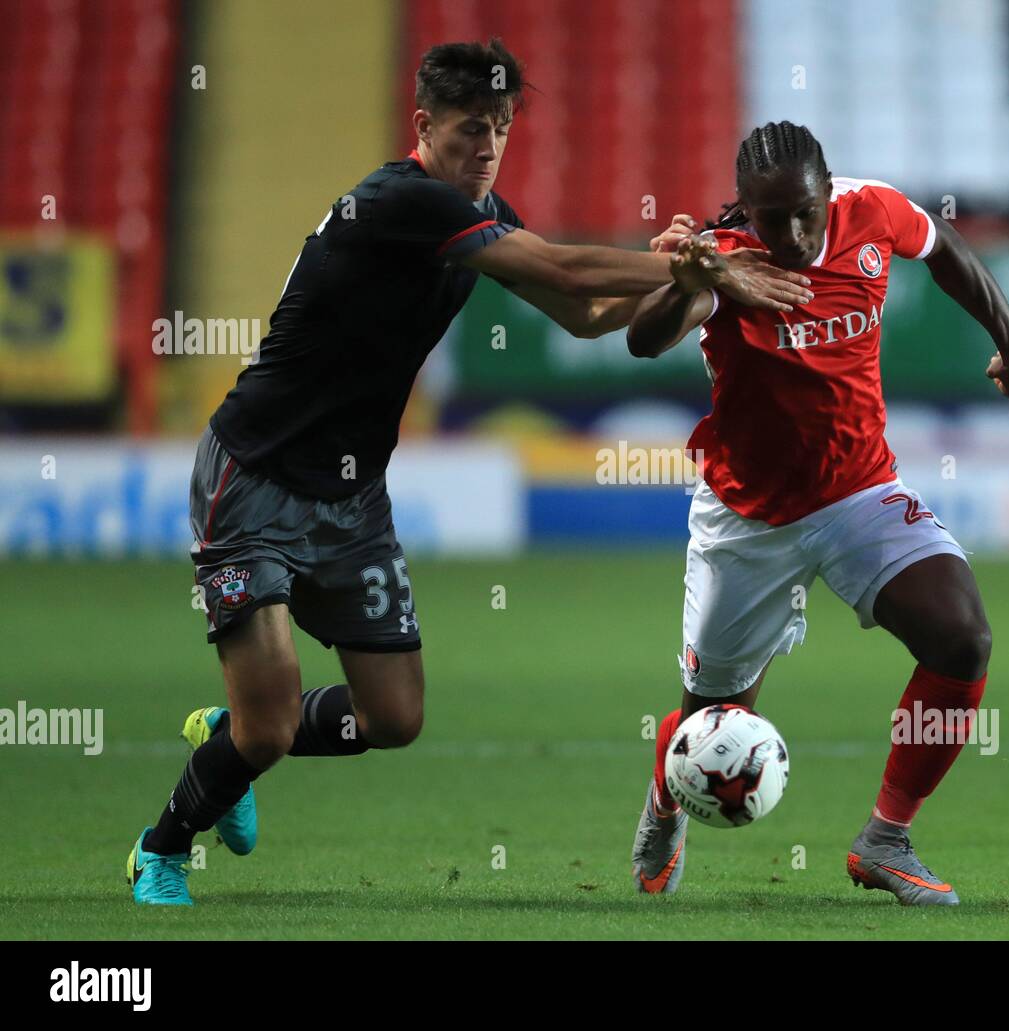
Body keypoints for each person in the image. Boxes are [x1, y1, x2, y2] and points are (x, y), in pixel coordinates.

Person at [127, 40, 810, 906]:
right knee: (268, 725)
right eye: (468, 129)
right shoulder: (401, 200)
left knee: (394, 719)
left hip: (351, 495)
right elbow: (565, 267)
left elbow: (581, 312)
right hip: (254, 475)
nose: (486, 146)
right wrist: (701, 264)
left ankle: (242, 733)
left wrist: (687, 282)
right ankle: (164, 844)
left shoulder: (481, 212)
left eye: (500, 128)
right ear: (423, 126)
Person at [627, 120, 1009, 905]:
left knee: (963, 638)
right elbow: (647, 341)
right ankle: (666, 798)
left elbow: (941, 243)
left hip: (858, 491)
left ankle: (886, 840)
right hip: (749, 516)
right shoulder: (724, 258)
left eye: (804, 214)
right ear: (743, 208)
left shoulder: (873, 210)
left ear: (828, 192)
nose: (788, 234)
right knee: (712, 714)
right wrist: (688, 280)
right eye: (769, 217)